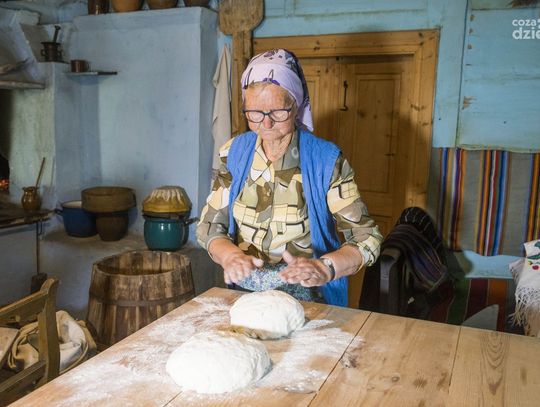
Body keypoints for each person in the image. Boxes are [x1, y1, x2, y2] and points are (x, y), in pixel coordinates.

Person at [197, 49, 383, 306]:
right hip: (245, 294)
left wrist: (325, 267)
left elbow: (367, 238)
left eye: (277, 112)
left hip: (310, 297)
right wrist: (229, 256)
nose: (266, 124)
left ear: (295, 106)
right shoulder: (234, 153)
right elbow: (209, 226)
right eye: (254, 112)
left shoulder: (325, 161)